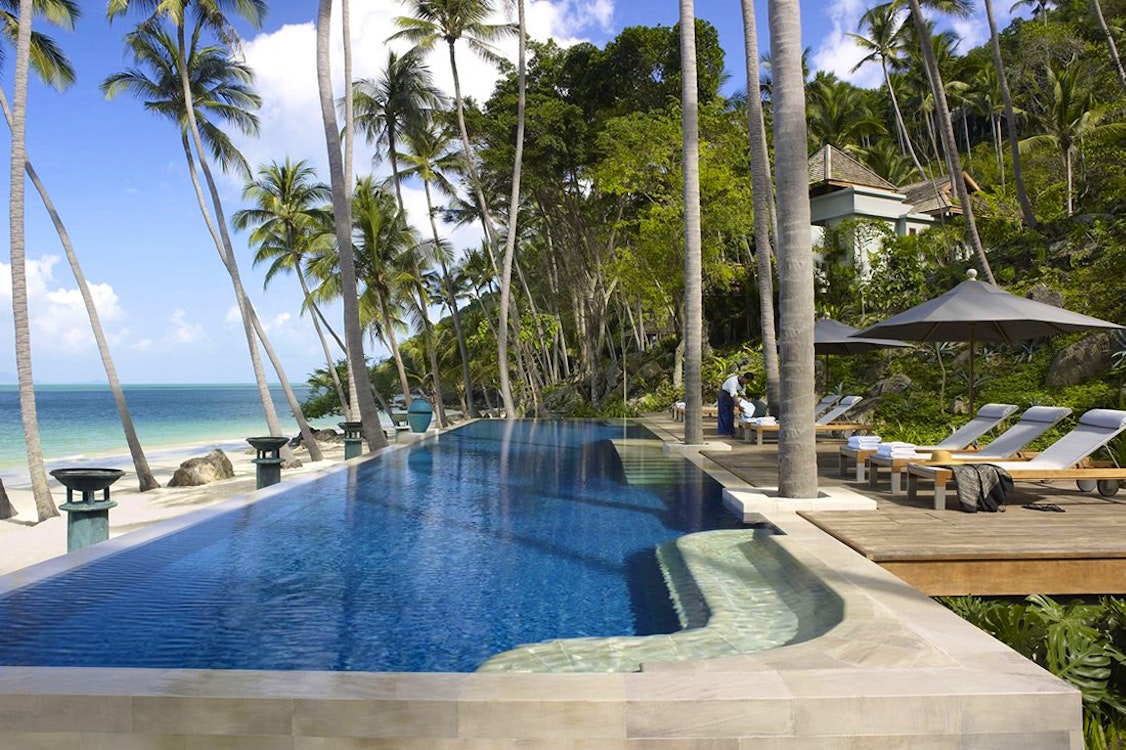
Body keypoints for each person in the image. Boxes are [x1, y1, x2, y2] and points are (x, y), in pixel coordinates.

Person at [716, 372, 754, 436]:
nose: (747, 383)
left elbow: (742, 393)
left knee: (730, 414)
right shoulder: (733, 381)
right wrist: (739, 406)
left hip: (731, 397)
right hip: (724, 395)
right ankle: (723, 432)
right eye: (747, 381)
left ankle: (730, 432)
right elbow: (733, 395)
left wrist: (748, 402)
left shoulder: (743, 384)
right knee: (724, 414)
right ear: (744, 378)